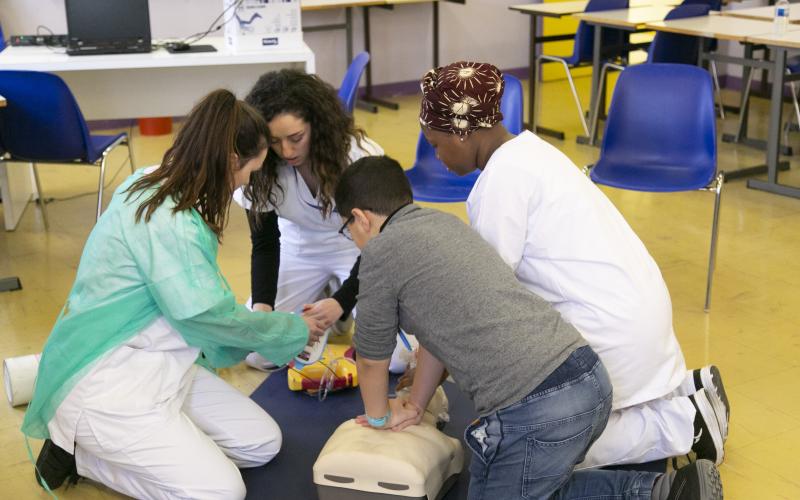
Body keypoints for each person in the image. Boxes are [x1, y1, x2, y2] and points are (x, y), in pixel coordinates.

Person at [335, 156, 722, 500]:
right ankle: (668, 491)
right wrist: (417, 404)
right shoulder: (443, 224)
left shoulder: (381, 254)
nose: (352, 240)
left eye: (346, 230)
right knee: (527, 486)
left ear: (361, 218)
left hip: (541, 406)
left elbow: (372, 360)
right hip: (588, 375)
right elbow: (437, 338)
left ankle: (658, 493)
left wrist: (379, 417)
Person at [416, 61, 730, 469]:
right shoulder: (531, 151)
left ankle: (682, 423)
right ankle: (682, 394)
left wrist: (419, 391)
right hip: (636, 318)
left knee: (524, 449)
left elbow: (473, 307)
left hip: (613, 334)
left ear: (463, 131)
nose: (436, 156)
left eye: (437, 144)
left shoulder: (500, 183)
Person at [24, 89, 325, 499]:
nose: (247, 181)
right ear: (231, 161)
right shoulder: (171, 222)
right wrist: (291, 329)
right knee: (222, 493)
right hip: (106, 379)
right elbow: (207, 315)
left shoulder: (158, 180)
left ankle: (150, 441)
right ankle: (81, 455)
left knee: (261, 444)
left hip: (162, 360)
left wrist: (275, 326)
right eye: (248, 171)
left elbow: (200, 306)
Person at [234, 69, 386, 372]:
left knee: (397, 358)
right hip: (299, 247)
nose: (286, 151)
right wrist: (263, 309)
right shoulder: (262, 168)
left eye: (296, 138)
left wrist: (342, 300)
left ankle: (337, 302)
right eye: (275, 142)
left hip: (358, 250)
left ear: (317, 124)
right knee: (260, 355)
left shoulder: (360, 157)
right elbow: (264, 243)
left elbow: (380, 246)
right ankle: (324, 299)